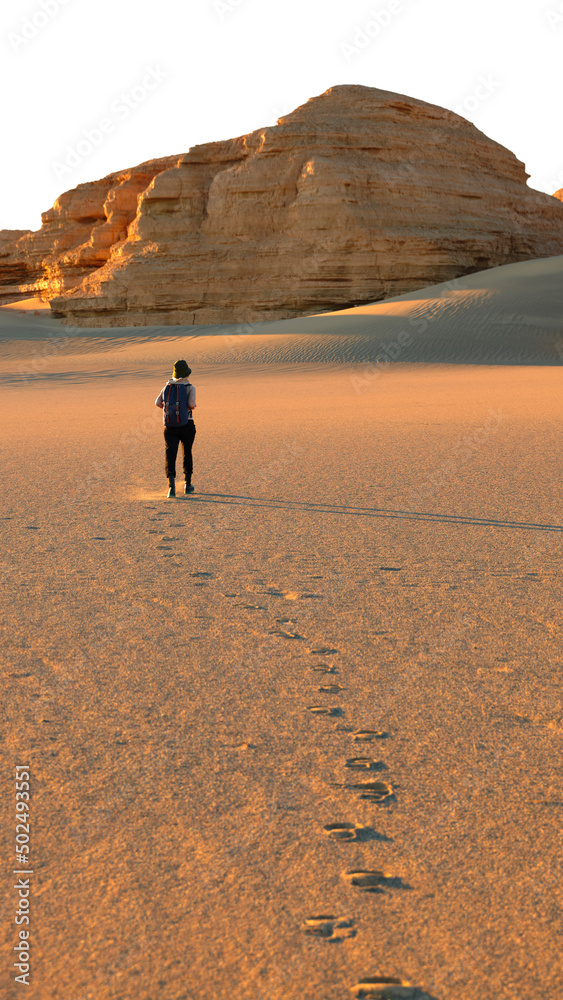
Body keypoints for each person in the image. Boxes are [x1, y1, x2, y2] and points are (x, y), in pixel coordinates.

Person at [155, 360, 197, 497]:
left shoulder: (167, 386)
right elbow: (191, 404)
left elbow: (157, 403)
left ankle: (171, 488)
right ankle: (187, 484)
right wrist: (192, 406)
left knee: (170, 454)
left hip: (169, 427)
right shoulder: (190, 387)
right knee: (187, 452)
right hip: (187, 425)